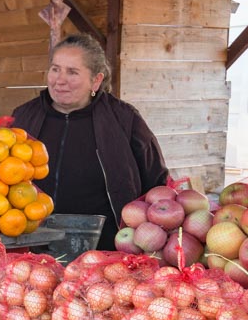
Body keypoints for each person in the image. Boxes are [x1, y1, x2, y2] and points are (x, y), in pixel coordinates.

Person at [12, 33, 169, 250]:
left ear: (96, 80)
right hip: (32, 248)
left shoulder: (124, 119)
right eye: (55, 69)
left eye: (72, 72)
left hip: (105, 251)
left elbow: (158, 184)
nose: (60, 80)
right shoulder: (23, 117)